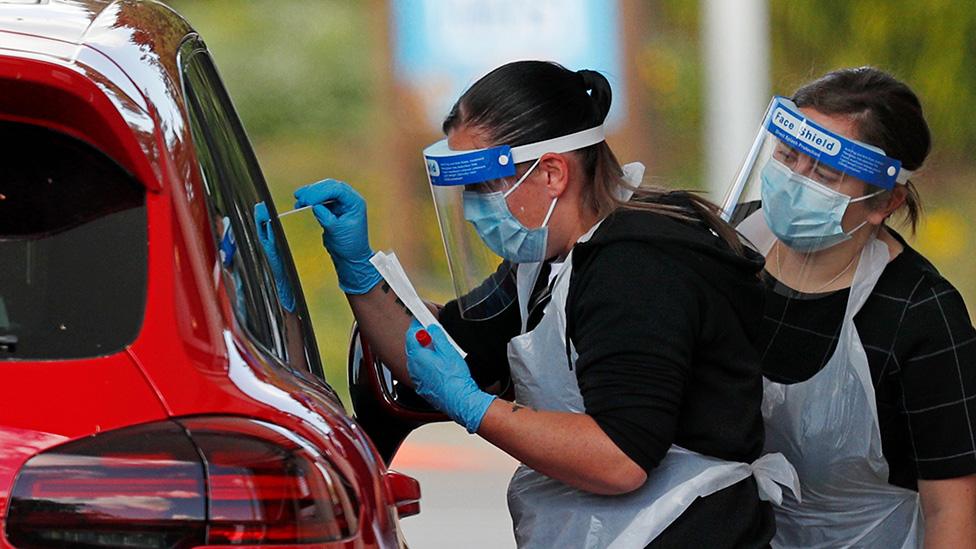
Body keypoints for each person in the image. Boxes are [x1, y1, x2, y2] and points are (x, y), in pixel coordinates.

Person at [296, 60, 796, 547]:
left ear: (553, 173)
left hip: (685, 528)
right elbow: (443, 352)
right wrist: (358, 273)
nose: (472, 208)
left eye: (483, 186)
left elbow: (618, 458)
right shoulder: (546, 258)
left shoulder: (639, 266)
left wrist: (474, 408)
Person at [723, 67, 976, 547]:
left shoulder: (921, 314)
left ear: (886, 201)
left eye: (824, 172)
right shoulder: (726, 248)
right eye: (787, 156)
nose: (794, 180)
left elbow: (953, 510)